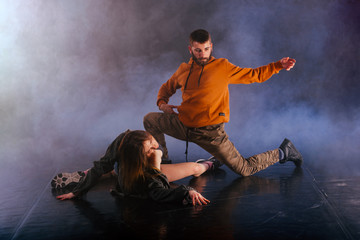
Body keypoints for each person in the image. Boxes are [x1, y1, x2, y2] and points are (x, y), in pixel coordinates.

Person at [143, 29, 303, 177]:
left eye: (206, 49)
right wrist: (162, 103)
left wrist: (277, 66)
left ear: (211, 47)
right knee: (150, 119)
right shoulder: (183, 69)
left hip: (211, 134)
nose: (202, 54)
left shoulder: (222, 67)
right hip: (184, 126)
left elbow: (254, 75)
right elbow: (166, 88)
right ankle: (162, 160)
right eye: (198, 50)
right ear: (190, 49)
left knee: (245, 170)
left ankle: (284, 151)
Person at [53, 130, 221, 206]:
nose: (156, 146)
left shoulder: (123, 141)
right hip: (145, 175)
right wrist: (156, 165)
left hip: (123, 172)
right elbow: (159, 192)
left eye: (151, 140)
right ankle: (210, 164)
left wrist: (77, 191)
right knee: (195, 168)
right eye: (151, 149)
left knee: (105, 168)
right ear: (141, 157)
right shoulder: (145, 177)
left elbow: (100, 166)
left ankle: (94, 174)